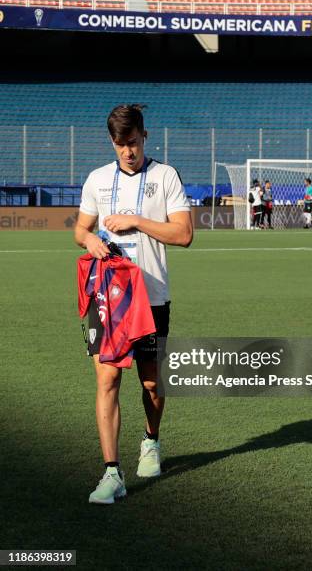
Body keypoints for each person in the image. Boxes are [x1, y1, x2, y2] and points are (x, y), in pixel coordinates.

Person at [74, 104, 193, 504]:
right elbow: (81, 227)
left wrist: (137, 221)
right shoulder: (96, 179)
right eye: (120, 144)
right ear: (112, 142)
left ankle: (151, 440)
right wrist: (89, 240)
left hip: (151, 297)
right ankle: (111, 473)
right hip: (106, 297)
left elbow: (184, 235)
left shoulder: (165, 176)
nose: (128, 151)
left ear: (145, 135)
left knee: (151, 383)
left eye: (134, 142)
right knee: (107, 379)